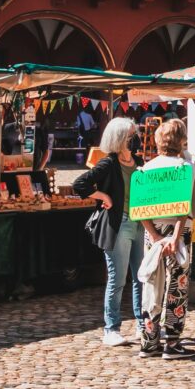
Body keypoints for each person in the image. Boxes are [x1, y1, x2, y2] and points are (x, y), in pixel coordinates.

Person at [71, 116, 142, 346]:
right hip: (118, 223)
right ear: (120, 138)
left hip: (140, 223)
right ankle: (111, 328)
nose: (135, 139)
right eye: (131, 136)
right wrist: (103, 195)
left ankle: (144, 325)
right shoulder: (109, 164)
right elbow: (80, 184)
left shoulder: (139, 162)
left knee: (142, 278)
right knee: (118, 278)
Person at [135, 118, 195, 360]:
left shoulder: (147, 169)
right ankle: (172, 341)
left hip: (154, 231)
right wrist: (175, 237)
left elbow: (140, 209)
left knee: (152, 282)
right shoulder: (184, 168)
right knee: (176, 286)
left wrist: (154, 235)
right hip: (177, 231)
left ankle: (149, 341)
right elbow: (184, 207)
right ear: (181, 140)